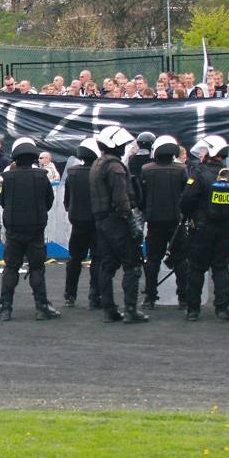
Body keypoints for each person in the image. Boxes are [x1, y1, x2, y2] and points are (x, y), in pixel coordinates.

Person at [0, 138, 61, 322]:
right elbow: (49, 201)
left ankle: (5, 308)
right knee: (37, 268)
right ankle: (41, 308)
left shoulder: (7, 178)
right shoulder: (42, 176)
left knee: (10, 268)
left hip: (14, 231)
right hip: (35, 230)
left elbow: (3, 202)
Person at [90, 125, 149, 324]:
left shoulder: (98, 164)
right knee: (132, 265)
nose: (124, 148)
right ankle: (131, 310)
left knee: (106, 266)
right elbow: (121, 199)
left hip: (102, 222)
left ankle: (109, 309)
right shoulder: (115, 167)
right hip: (117, 222)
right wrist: (131, 223)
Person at [180, 135, 229, 321]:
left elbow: (186, 201)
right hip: (224, 229)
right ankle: (223, 309)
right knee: (221, 268)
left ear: (210, 153)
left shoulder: (199, 174)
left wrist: (193, 215)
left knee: (197, 269)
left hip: (201, 229)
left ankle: (193, 310)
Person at [139, 135, 189, 309]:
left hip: (154, 222)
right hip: (176, 222)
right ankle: (183, 297)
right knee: (181, 260)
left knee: (153, 260)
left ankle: (150, 298)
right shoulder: (182, 170)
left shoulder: (146, 169)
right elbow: (186, 195)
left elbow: (141, 198)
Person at [63, 138, 101, 309]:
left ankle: (70, 295)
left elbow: (66, 200)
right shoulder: (100, 172)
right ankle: (95, 296)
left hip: (77, 222)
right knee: (97, 260)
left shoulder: (72, 172)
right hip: (96, 222)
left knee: (74, 259)